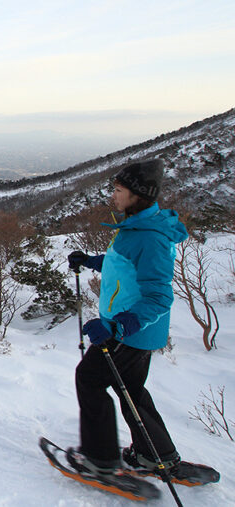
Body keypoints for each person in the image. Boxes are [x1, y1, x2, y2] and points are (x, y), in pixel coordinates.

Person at [65, 159, 188, 479]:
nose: (113, 195)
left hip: (128, 331)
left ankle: (100, 459)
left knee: (89, 380)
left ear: (139, 195)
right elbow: (126, 267)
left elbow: (160, 295)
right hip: (135, 330)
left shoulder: (149, 237)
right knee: (131, 390)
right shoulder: (138, 227)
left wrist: (117, 326)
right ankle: (154, 454)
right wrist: (93, 261)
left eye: (119, 190)